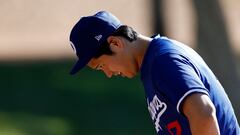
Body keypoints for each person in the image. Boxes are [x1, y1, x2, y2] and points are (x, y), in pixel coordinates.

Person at [68, 11, 239, 135]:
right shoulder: (153, 65)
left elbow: (204, 114)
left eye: (101, 66)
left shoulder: (163, 61)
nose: (108, 74)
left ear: (115, 43)